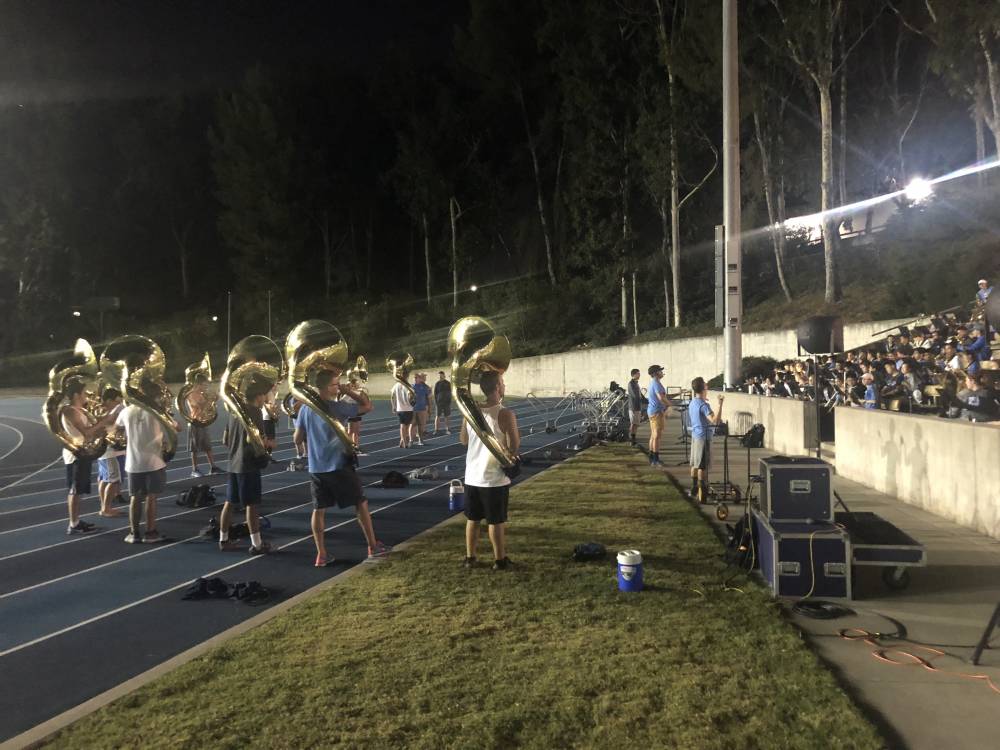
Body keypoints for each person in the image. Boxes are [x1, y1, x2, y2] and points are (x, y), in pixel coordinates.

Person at [294, 370, 390, 567]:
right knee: (361, 504)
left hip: (316, 467)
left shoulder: (305, 408)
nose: (338, 387)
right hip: (338, 464)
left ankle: (321, 554)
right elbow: (367, 406)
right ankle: (373, 545)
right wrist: (350, 391)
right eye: (336, 384)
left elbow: (297, 438)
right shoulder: (336, 407)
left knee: (318, 510)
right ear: (326, 387)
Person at [459, 370, 520, 571]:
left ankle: (470, 557)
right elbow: (514, 445)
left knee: (473, 519)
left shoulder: (471, 411)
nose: (504, 385)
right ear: (496, 387)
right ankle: (500, 560)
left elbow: (463, 440)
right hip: (494, 478)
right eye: (502, 382)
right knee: (496, 521)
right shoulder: (505, 414)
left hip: (472, 476)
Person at [218, 378, 275, 554]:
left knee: (229, 503)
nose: (266, 397)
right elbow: (260, 442)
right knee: (252, 504)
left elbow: (225, 440)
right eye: (264, 394)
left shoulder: (235, 412)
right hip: (248, 464)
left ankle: (223, 539)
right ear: (258, 396)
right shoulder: (255, 412)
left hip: (233, 463)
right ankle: (257, 544)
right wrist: (270, 444)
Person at [115, 383, 175, 544]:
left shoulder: (126, 411)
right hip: (154, 461)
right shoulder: (157, 412)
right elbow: (177, 428)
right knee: (151, 497)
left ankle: (134, 533)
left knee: (135, 497)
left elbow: (117, 431)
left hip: (133, 462)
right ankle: (150, 532)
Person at [60, 379, 116, 534]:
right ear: (77, 394)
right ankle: (73, 524)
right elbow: (85, 432)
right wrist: (105, 420)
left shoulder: (80, 410)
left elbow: (90, 431)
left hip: (83, 452)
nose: (87, 395)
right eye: (84, 393)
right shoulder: (69, 410)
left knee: (80, 489)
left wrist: (102, 430)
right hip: (76, 454)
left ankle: (76, 520)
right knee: (75, 489)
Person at [687, 377, 723, 502]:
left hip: (695, 436)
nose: (707, 386)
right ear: (703, 388)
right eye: (705, 385)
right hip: (703, 437)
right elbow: (715, 421)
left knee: (695, 464)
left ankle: (694, 489)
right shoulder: (703, 405)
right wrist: (720, 404)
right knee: (702, 466)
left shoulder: (693, 402)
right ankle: (703, 494)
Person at [96, 387, 125, 518]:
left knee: (104, 478)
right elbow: (111, 421)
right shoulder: (109, 411)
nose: (120, 403)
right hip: (110, 450)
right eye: (117, 401)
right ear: (109, 400)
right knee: (113, 480)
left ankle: (104, 506)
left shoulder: (108, 410)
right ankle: (106, 508)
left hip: (109, 449)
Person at [185, 375, 222, 478]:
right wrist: (209, 400)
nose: (205, 387)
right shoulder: (191, 394)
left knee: (208, 446)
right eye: (204, 385)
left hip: (204, 421)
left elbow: (208, 406)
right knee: (194, 448)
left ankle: (213, 467)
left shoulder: (202, 394)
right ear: (198, 384)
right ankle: (194, 469)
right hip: (195, 421)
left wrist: (214, 398)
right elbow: (198, 405)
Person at [645, 364, 670, 466]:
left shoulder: (654, 383)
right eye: (660, 371)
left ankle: (652, 458)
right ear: (655, 373)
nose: (662, 372)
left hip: (652, 411)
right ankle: (655, 460)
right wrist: (670, 405)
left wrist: (678, 393)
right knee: (656, 436)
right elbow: (661, 397)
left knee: (653, 435)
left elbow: (662, 396)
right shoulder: (656, 383)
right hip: (657, 412)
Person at [390, 375, 416, 448]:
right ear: (406, 377)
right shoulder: (408, 385)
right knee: (407, 426)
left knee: (402, 425)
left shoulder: (396, 385)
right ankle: (404, 442)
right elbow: (411, 396)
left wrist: (393, 406)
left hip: (400, 408)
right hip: (408, 408)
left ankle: (402, 441)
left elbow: (392, 396)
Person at [412, 373, 432, 443]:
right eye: (415, 377)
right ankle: (412, 439)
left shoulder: (424, 387)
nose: (415, 379)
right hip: (414, 409)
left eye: (417, 377)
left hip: (422, 408)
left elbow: (429, 396)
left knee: (421, 424)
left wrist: (429, 407)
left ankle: (420, 439)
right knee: (413, 424)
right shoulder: (411, 387)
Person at [627, 368, 643, 446]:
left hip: (638, 406)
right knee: (633, 423)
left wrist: (646, 401)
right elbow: (634, 395)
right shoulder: (631, 384)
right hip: (633, 407)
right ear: (634, 374)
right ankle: (631, 439)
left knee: (636, 423)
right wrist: (642, 400)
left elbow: (640, 394)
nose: (639, 375)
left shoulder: (636, 383)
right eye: (638, 373)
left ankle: (634, 438)